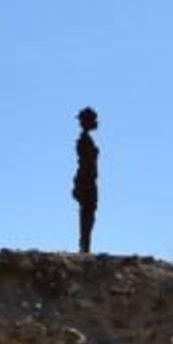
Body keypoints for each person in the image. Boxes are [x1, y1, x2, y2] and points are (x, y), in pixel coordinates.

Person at [72, 107, 99, 253]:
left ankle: (85, 244)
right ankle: (84, 245)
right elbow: (85, 164)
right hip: (86, 182)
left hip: (88, 181)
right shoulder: (84, 141)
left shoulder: (86, 140)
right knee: (87, 214)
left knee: (88, 214)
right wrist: (79, 185)